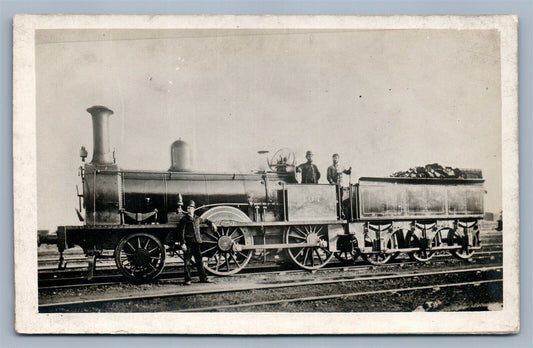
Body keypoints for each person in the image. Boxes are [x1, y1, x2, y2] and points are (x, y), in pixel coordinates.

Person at [176, 200, 216, 285]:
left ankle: (203, 278)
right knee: (187, 262)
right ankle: (187, 280)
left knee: (199, 261)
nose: (189, 209)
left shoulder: (197, 218)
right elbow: (181, 232)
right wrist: (183, 243)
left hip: (197, 243)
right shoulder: (184, 220)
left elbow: (205, 220)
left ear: (194, 209)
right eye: (188, 208)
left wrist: (212, 223)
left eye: (191, 208)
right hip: (188, 243)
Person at [327, 154, 352, 218]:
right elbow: (328, 177)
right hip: (333, 187)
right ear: (332, 159)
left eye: (336, 158)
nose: (335, 159)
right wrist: (332, 182)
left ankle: (341, 213)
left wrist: (349, 170)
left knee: (340, 199)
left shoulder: (341, 167)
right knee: (334, 199)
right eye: (334, 158)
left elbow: (347, 172)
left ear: (338, 159)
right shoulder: (330, 168)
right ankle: (334, 213)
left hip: (340, 186)